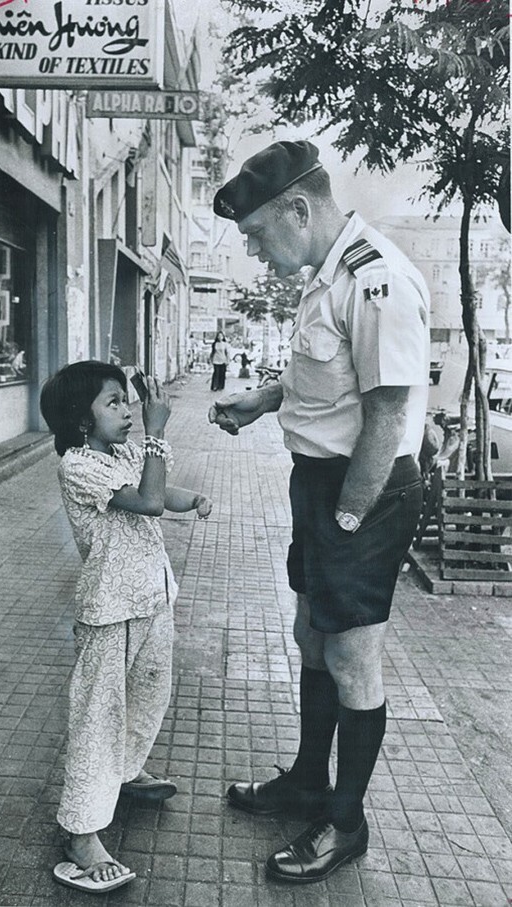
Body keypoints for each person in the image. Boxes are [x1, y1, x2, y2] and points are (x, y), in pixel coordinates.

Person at [209, 140, 429, 884]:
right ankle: (309, 777)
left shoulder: (376, 280)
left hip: (363, 490)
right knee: (313, 633)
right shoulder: (325, 276)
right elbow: (328, 378)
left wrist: (348, 519)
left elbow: (388, 413)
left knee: (351, 654)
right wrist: (266, 397)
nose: (253, 248)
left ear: (298, 209)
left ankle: (346, 822)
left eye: (257, 232)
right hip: (322, 484)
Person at [40, 361, 213, 894]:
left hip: (152, 600)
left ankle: (124, 772)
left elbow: (165, 490)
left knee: (146, 696)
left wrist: (195, 501)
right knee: (99, 714)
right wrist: (158, 432)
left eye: (125, 400)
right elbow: (148, 500)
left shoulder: (119, 453)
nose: (128, 411)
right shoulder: (78, 466)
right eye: (112, 402)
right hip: (109, 610)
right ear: (81, 420)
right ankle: (81, 831)